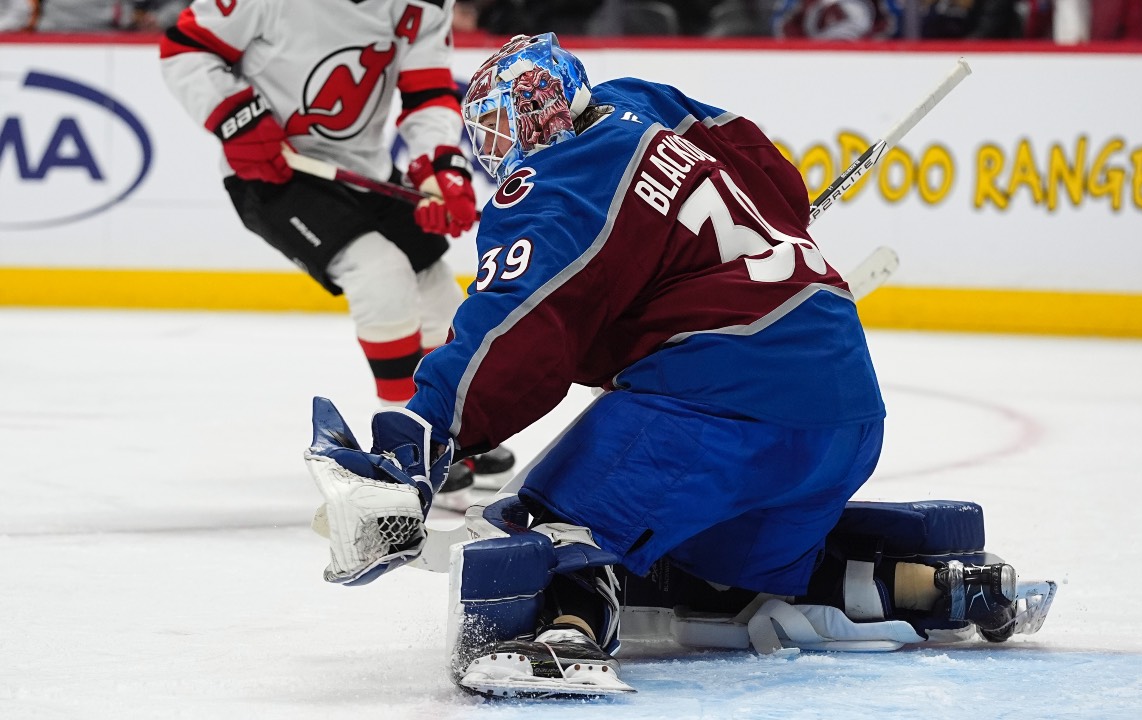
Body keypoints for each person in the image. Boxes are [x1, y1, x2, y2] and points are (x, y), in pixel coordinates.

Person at [305, 33, 1043, 697]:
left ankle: (566, 634)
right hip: (845, 416)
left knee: (546, 522)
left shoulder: (553, 187)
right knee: (719, 571)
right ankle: (934, 587)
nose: (503, 146)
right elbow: (774, 177)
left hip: (725, 406)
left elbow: (514, 334)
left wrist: (420, 434)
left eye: (505, 127)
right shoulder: (651, 105)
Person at [158, 0, 513, 500]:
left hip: (364, 169)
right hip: (275, 173)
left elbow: (427, 90)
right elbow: (185, 48)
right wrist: (236, 117)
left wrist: (441, 164)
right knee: (381, 274)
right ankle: (407, 445)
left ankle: (450, 431)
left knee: (434, 285)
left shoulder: (422, 4)